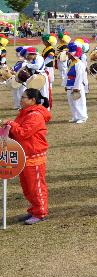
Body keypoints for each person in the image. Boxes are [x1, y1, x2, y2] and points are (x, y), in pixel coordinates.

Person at [1, 88, 51, 224]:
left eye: (24, 97)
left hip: (33, 154)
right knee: (27, 186)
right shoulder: (24, 113)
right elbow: (17, 132)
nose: (21, 99)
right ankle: (34, 210)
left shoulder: (35, 115)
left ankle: (40, 212)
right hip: (24, 153)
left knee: (36, 186)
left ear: (32, 100)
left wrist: (11, 123)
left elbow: (23, 133)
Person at [64, 42, 87, 124]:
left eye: (68, 52)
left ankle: (82, 117)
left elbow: (79, 76)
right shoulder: (71, 62)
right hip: (70, 84)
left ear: (72, 53)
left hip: (76, 85)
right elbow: (67, 74)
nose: (67, 54)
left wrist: (77, 87)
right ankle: (75, 116)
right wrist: (66, 84)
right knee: (72, 102)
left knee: (79, 102)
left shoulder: (79, 63)